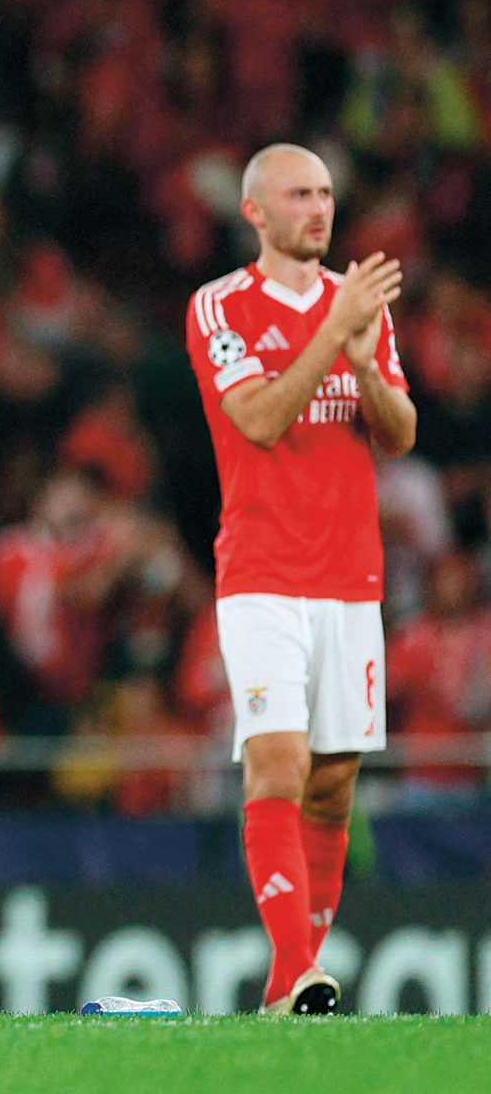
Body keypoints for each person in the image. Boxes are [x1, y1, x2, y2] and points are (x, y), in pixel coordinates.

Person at [185, 143, 415, 1014]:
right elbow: (258, 418)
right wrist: (334, 334)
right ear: (255, 211)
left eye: (325, 194)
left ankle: (296, 983)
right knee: (276, 764)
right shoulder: (221, 307)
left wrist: (363, 360)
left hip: (353, 578)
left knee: (334, 782)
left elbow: (398, 432)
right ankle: (295, 971)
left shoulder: (359, 311)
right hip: (263, 574)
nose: (319, 210)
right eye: (299, 195)